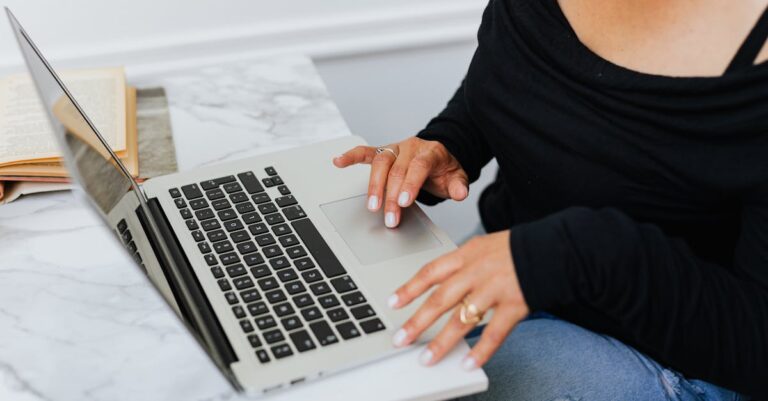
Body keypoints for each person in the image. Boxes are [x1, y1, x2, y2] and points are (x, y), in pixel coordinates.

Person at [333, 0, 768, 399]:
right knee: (337, 359)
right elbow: (524, 75)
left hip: (665, 353)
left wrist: (574, 254)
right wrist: (450, 141)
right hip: (510, 260)